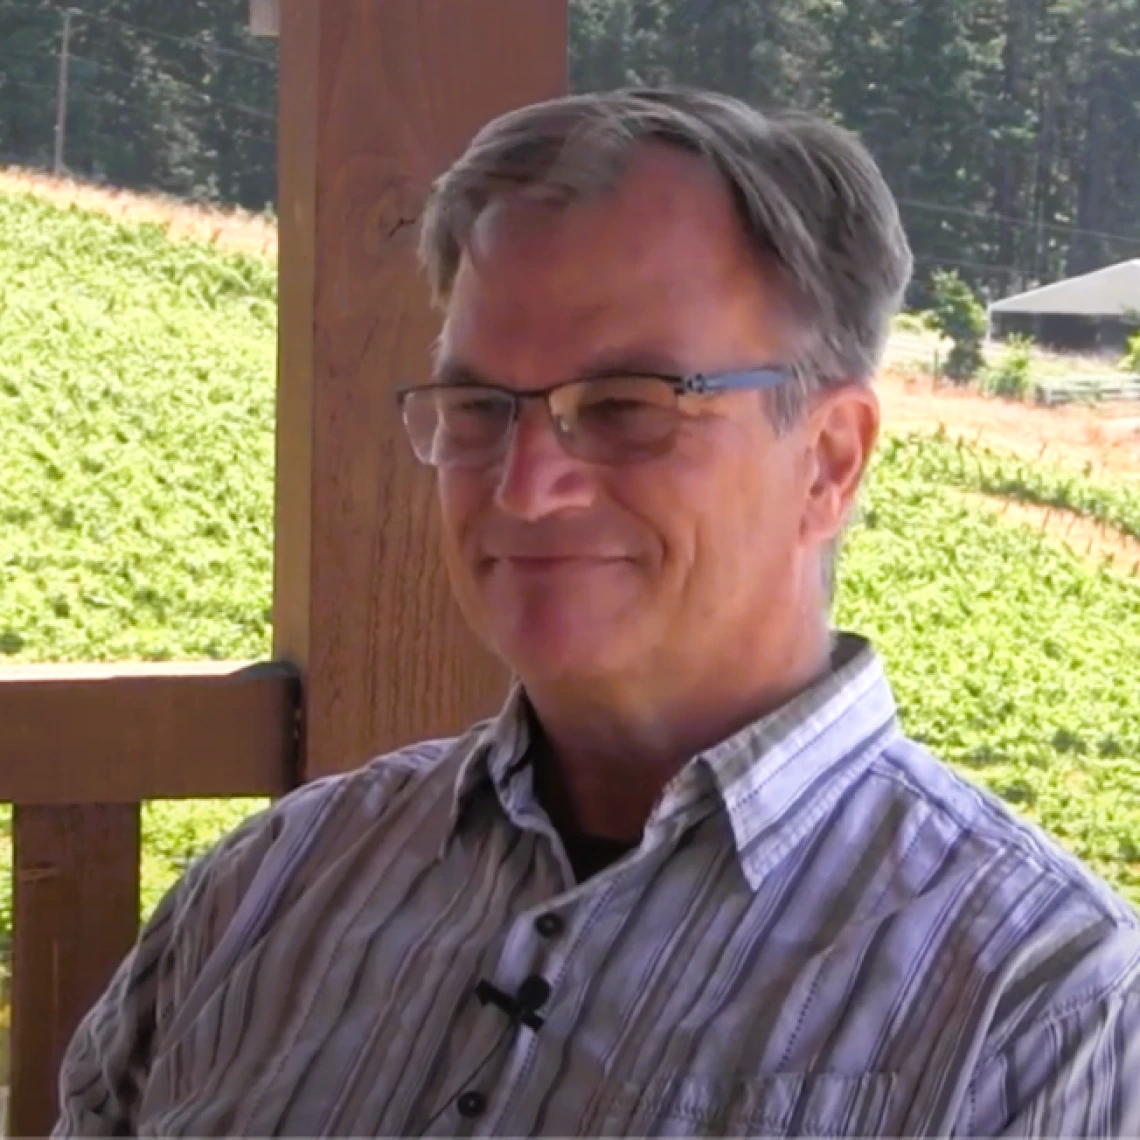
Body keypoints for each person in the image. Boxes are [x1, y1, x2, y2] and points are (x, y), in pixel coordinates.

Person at [54, 89, 1139, 1138]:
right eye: (480, 408)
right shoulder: (267, 892)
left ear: (829, 461)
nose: (526, 487)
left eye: (626, 407)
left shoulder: (1044, 1002)